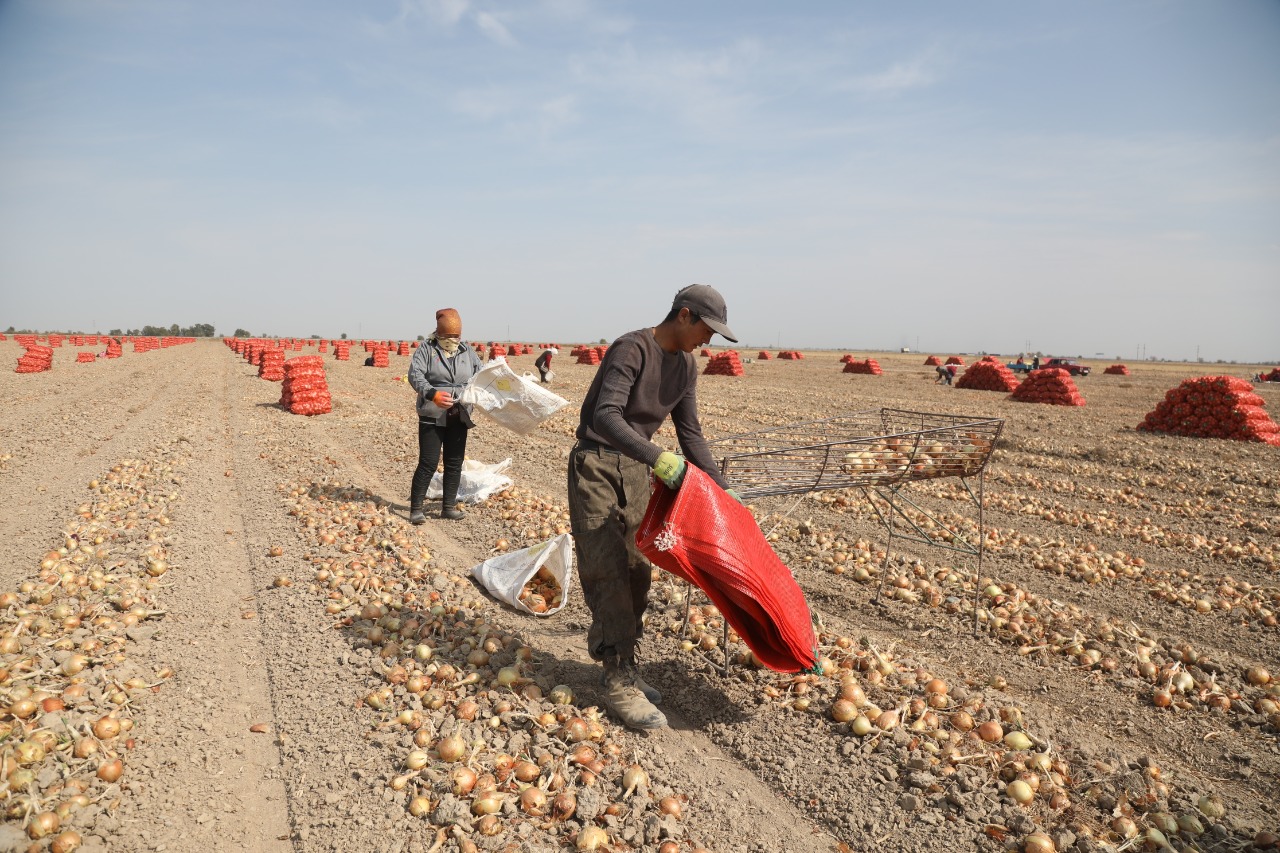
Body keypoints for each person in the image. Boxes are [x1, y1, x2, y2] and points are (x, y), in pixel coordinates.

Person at [568, 284, 742, 730]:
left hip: (637, 470)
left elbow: (692, 435)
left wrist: (722, 489)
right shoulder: (632, 349)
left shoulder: (685, 367)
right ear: (684, 315)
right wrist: (657, 457)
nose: (709, 341)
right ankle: (616, 679)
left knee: (637, 571)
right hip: (597, 466)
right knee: (607, 569)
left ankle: (627, 662)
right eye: (707, 329)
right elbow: (607, 415)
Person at [407, 308, 483, 523]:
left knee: (454, 462)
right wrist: (433, 394)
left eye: (456, 336)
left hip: (459, 412)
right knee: (428, 462)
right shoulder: (426, 349)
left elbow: (481, 373)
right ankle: (416, 509)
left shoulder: (466, 351)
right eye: (448, 337)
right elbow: (415, 376)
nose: (453, 341)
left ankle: (448, 507)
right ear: (438, 333)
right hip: (432, 413)